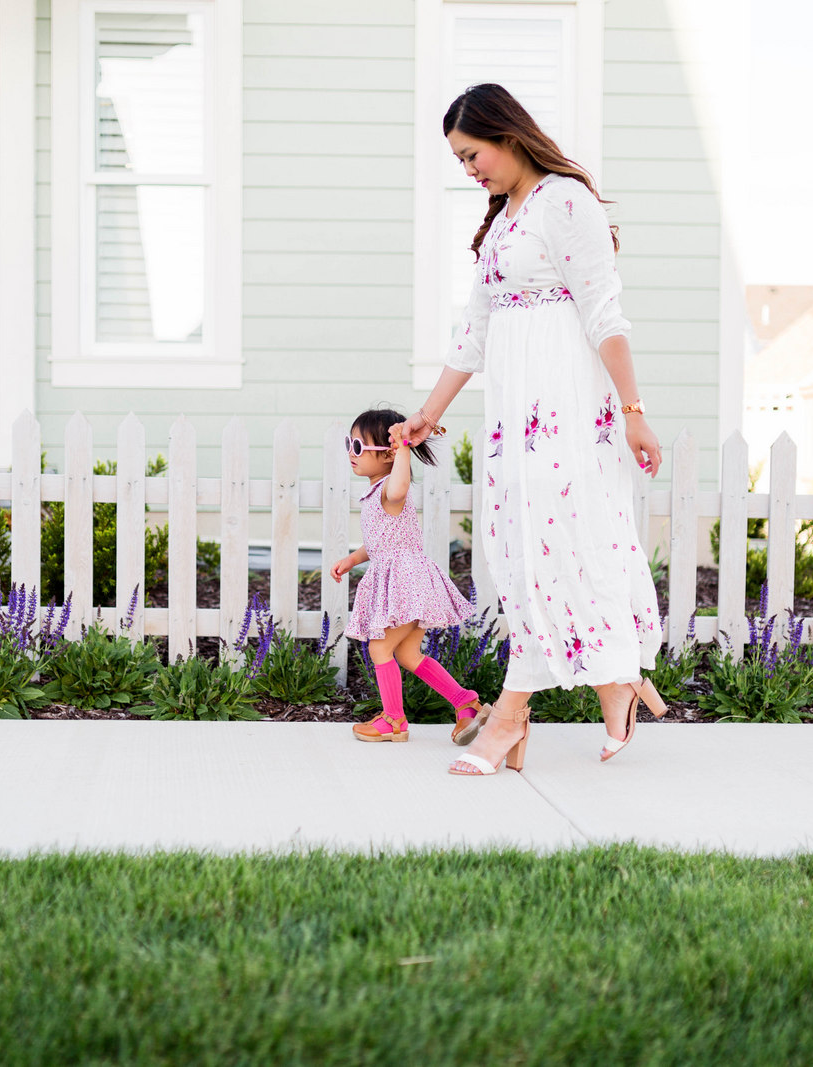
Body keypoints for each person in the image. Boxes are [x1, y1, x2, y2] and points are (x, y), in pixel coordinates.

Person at [394, 83, 668, 777]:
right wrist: (430, 410)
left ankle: (511, 717)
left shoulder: (565, 201)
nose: (469, 170)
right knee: (524, 552)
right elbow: (475, 332)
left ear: (506, 133)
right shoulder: (505, 219)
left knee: (565, 539)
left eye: (472, 153)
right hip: (511, 417)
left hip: (566, 408)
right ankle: (616, 680)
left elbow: (605, 313)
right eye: (459, 162)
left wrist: (635, 412)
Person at [330, 407, 488, 744]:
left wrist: (403, 447)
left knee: (379, 648)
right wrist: (352, 559)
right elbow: (379, 543)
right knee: (407, 654)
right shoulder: (374, 494)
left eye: (358, 447)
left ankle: (394, 720)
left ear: (387, 455)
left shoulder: (391, 489)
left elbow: (401, 487)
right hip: (406, 582)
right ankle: (465, 702)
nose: (351, 454)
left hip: (406, 583)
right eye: (350, 444)